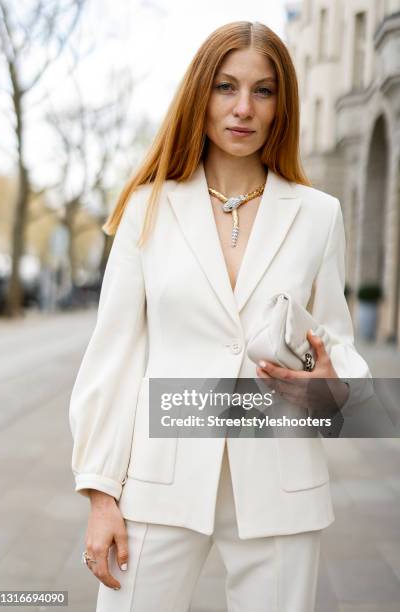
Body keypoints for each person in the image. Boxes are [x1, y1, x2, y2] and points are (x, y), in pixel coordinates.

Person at [69, 20, 371, 612]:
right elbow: (114, 355)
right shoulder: (146, 207)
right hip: (158, 479)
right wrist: (100, 492)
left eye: (263, 90)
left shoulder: (319, 214)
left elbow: (338, 340)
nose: (243, 108)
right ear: (199, 96)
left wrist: (332, 390)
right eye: (226, 87)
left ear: (282, 104)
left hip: (282, 479)